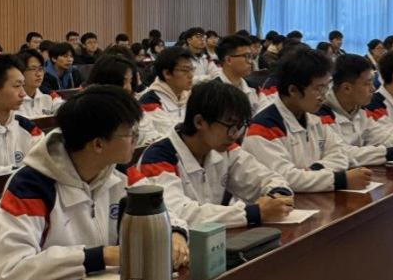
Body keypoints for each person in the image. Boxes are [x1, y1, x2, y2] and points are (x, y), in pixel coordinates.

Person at [0, 86, 189, 280]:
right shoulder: (31, 186)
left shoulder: (116, 171)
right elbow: (9, 274)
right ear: (98, 144)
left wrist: (174, 232)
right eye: (129, 134)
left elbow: (162, 207)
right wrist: (102, 256)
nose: (136, 140)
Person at [126, 80, 294, 228]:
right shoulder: (158, 158)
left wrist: (278, 197)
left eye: (240, 127)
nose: (235, 135)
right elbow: (178, 213)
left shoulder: (225, 149)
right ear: (199, 122)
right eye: (230, 126)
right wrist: (253, 213)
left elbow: (266, 178)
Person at [242, 49, 371, 192]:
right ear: (293, 90)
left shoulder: (314, 118)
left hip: (315, 196)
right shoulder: (263, 128)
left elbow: (341, 154)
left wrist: (315, 169)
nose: (323, 96)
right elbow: (284, 178)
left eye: (326, 88)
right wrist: (340, 180)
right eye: (318, 89)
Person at [321, 55, 393, 166]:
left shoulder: (359, 110)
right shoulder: (321, 114)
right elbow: (342, 153)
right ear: (347, 88)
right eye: (367, 83)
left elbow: (382, 135)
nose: (373, 88)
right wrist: (392, 153)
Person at [137, 47, 194, 145]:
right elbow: (171, 134)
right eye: (185, 70)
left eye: (192, 69)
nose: (191, 75)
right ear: (167, 73)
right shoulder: (150, 100)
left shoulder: (191, 96)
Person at [214, 34, 261, 112]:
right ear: (228, 60)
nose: (251, 62)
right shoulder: (213, 92)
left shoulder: (252, 87)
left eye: (251, 57)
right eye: (247, 56)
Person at [17, 49, 61, 118]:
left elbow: (62, 107)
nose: (39, 74)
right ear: (20, 72)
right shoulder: (13, 100)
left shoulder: (46, 96)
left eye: (40, 69)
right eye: (33, 69)